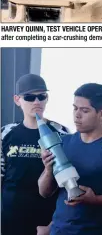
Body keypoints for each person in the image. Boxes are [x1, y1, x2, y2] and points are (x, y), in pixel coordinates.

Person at [38, 83, 102, 235]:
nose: (77, 115)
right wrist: (48, 169)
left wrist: (95, 200)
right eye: (75, 108)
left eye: (85, 110)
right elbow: (44, 192)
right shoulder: (63, 143)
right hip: (58, 231)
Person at [1, 74, 69, 235]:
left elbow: (67, 186)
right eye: (30, 97)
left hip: (45, 222)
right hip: (9, 221)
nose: (37, 102)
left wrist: (52, 226)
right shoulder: (5, 133)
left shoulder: (61, 133)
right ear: (17, 100)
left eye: (41, 96)